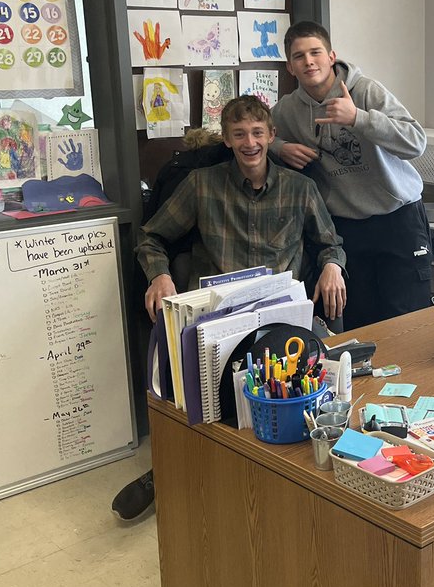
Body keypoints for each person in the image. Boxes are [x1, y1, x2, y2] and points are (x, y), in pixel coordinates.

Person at [112, 97, 346, 521]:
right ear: (226, 139)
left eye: (257, 133)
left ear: (271, 136)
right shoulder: (202, 185)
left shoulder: (299, 188)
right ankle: (168, 469)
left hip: (278, 322)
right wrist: (159, 275)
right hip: (217, 322)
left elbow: (330, 243)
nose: (249, 143)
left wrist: (332, 266)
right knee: (203, 402)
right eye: (239, 134)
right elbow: (151, 237)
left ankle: (284, 480)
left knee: (290, 395)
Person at [271, 20, 431, 330]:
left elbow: (416, 142)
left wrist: (358, 117)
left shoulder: (365, 90)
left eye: (316, 52)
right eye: (299, 56)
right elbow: (257, 135)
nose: (309, 61)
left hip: (398, 220)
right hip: (347, 229)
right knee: (361, 324)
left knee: (408, 323)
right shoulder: (288, 110)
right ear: (290, 67)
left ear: (331, 57)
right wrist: (280, 147)